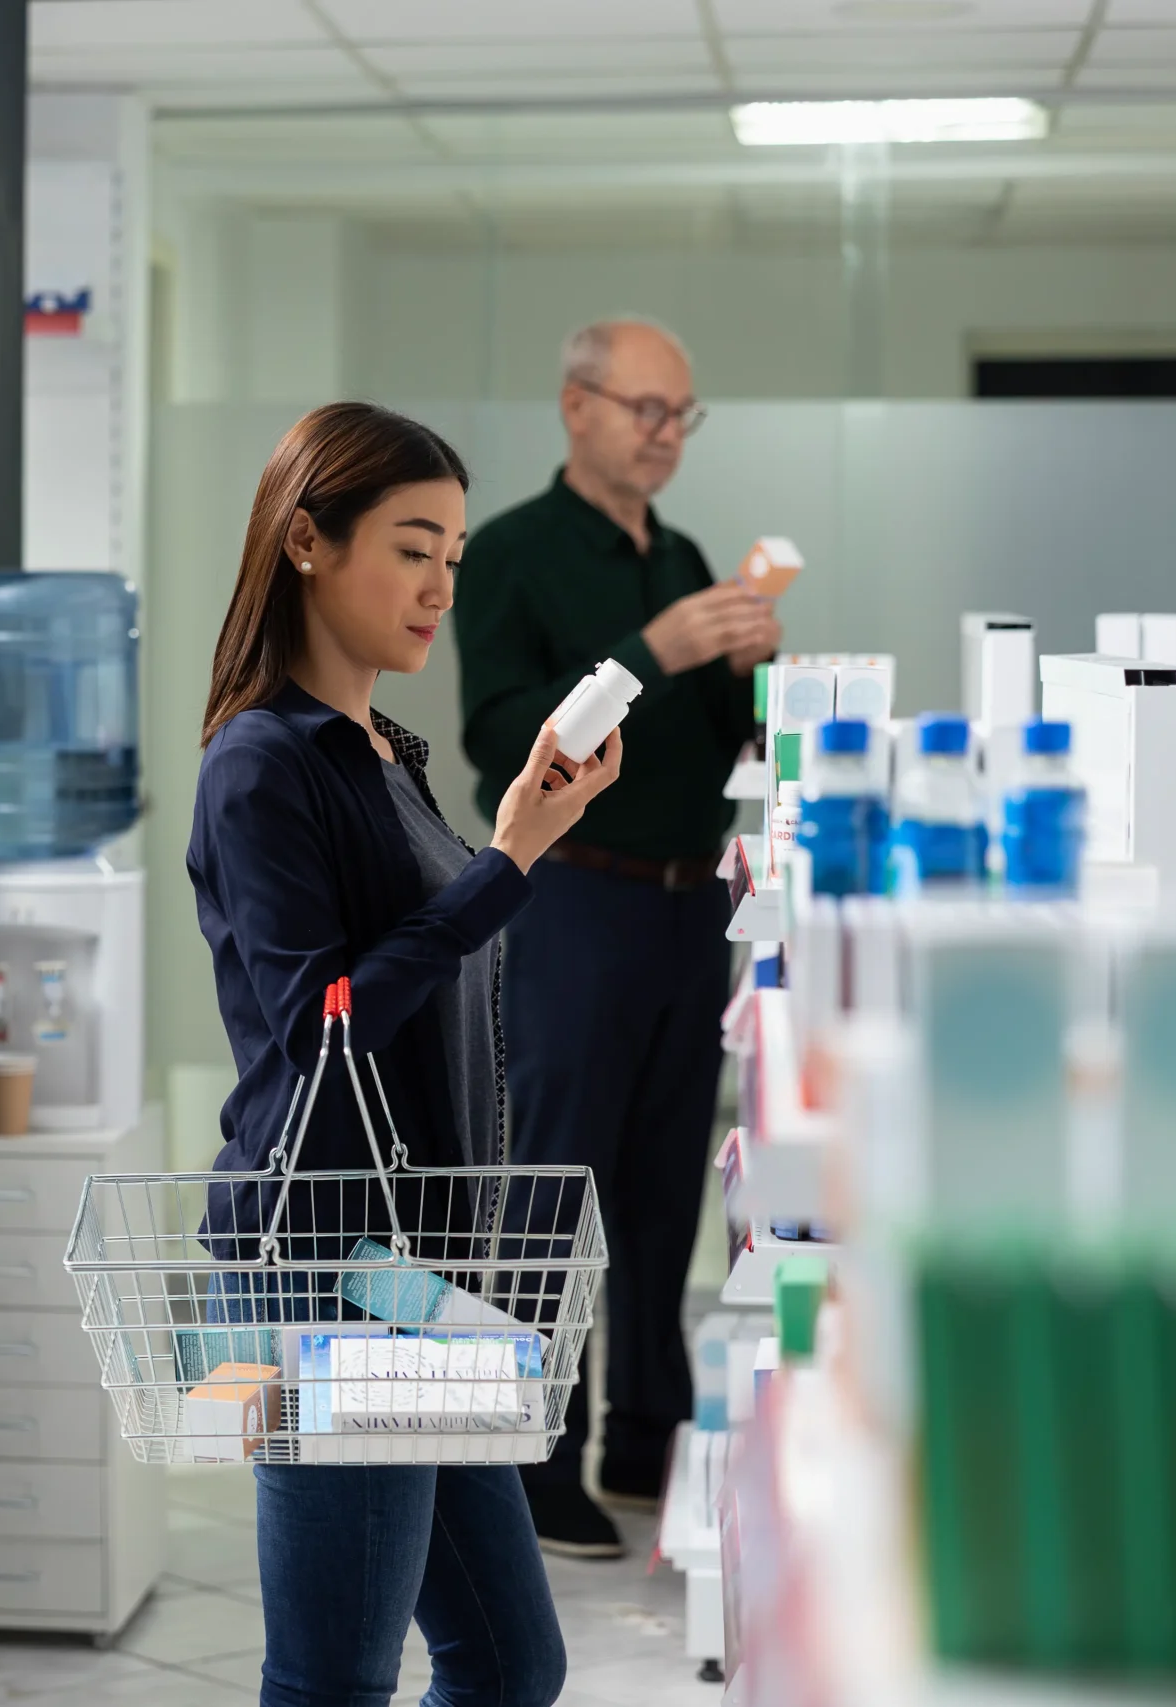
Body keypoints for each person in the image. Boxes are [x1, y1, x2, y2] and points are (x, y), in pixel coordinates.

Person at [191, 401, 621, 1707]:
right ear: (308, 543)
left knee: (509, 1660)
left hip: (413, 1274)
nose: (442, 585)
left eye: (458, 554)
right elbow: (327, 1024)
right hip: (324, 1270)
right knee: (332, 1677)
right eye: (414, 546)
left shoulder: (388, 755)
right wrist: (508, 864)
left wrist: (509, 845)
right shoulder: (264, 765)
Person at [452, 318, 780, 1559]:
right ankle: (532, 1465)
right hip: (573, 899)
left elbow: (719, 743)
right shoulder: (513, 557)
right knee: (553, 1185)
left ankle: (648, 1437)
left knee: (657, 1187)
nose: (663, 433)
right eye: (645, 408)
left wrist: (751, 660)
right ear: (575, 406)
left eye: (680, 415)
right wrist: (654, 651)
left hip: (690, 901)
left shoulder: (683, 552)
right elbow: (499, 736)